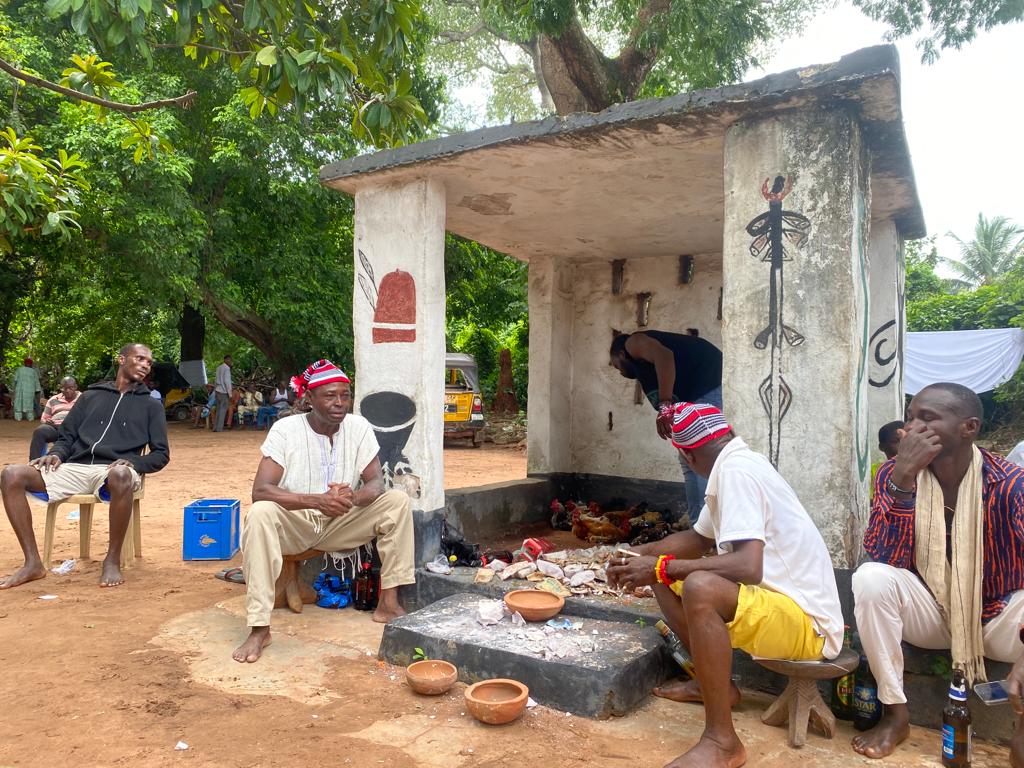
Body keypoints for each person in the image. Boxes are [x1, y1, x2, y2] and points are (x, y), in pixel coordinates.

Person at [607, 402, 843, 768]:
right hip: (779, 608)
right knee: (661, 575)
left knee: (697, 584)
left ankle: (722, 742)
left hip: (809, 626)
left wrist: (661, 566)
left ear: (687, 455)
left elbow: (748, 566)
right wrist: (638, 555)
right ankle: (709, 684)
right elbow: (698, 539)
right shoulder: (733, 464)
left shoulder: (737, 472)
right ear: (726, 431)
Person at [851, 383, 1024, 764]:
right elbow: (883, 553)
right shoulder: (892, 476)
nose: (910, 429)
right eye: (910, 417)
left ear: (969, 427)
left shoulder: (1011, 484)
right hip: (931, 614)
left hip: (997, 620)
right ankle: (896, 714)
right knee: (870, 577)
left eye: (927, 419)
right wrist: (904, 480)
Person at [232, 359, 414, 663]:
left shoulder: (358, 427)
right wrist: (317, 501)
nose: (339, 403)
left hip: (340, 522)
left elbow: (376, 483)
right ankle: (259, 628)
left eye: (345, 395)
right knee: (260, 513)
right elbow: (261, 490)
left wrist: (352, 498)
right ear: (309, 399)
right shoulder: (285, 430)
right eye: (330, 396)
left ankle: (388, 602)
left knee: (397, 502)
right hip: (295, 523)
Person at [0, 344, 169, 589]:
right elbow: (66, 436)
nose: (145, 365)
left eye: (149, 362)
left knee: (121, 474)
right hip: (75, 468)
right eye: (140, 358)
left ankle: (111, 561)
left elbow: (162, 454)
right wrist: (57, 454)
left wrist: (135, 462)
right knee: (11, 474)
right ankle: (32, 563)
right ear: (122, 359)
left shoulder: (151, 405)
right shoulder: (90, 396)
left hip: (113, 472)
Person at [609, 331, 723, 522]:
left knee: (697, 457)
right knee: (692, 459)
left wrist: (665, 406)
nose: (619, 372)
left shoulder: (632, 342)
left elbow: (664, 356)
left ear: (620, 354)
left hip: (706, 379)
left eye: (615, 365)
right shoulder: (643, 368)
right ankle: (703, 526)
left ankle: (704, 529)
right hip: (700, 386)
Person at [29, 377, 80, 460]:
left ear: (76, 387)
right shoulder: (53, 400)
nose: (67, 391)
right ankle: (34, 463)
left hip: (75, 429)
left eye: (71, 388)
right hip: (56, 428)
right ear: (60, 388)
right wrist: (47, 421)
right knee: (40, 431)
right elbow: (44, 418)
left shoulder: (84, 398)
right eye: (64, 388)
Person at [213, 354, 232, 432]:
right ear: (226, 360)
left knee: (218, 409)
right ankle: (219, 428)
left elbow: (216, 380)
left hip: (217, 390)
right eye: (230, 360)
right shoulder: (227, 368)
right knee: (223, 410)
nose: (231, 362)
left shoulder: (218, 368)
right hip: (223, 391)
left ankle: (215, 427)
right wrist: (230, 394)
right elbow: (227, 381)